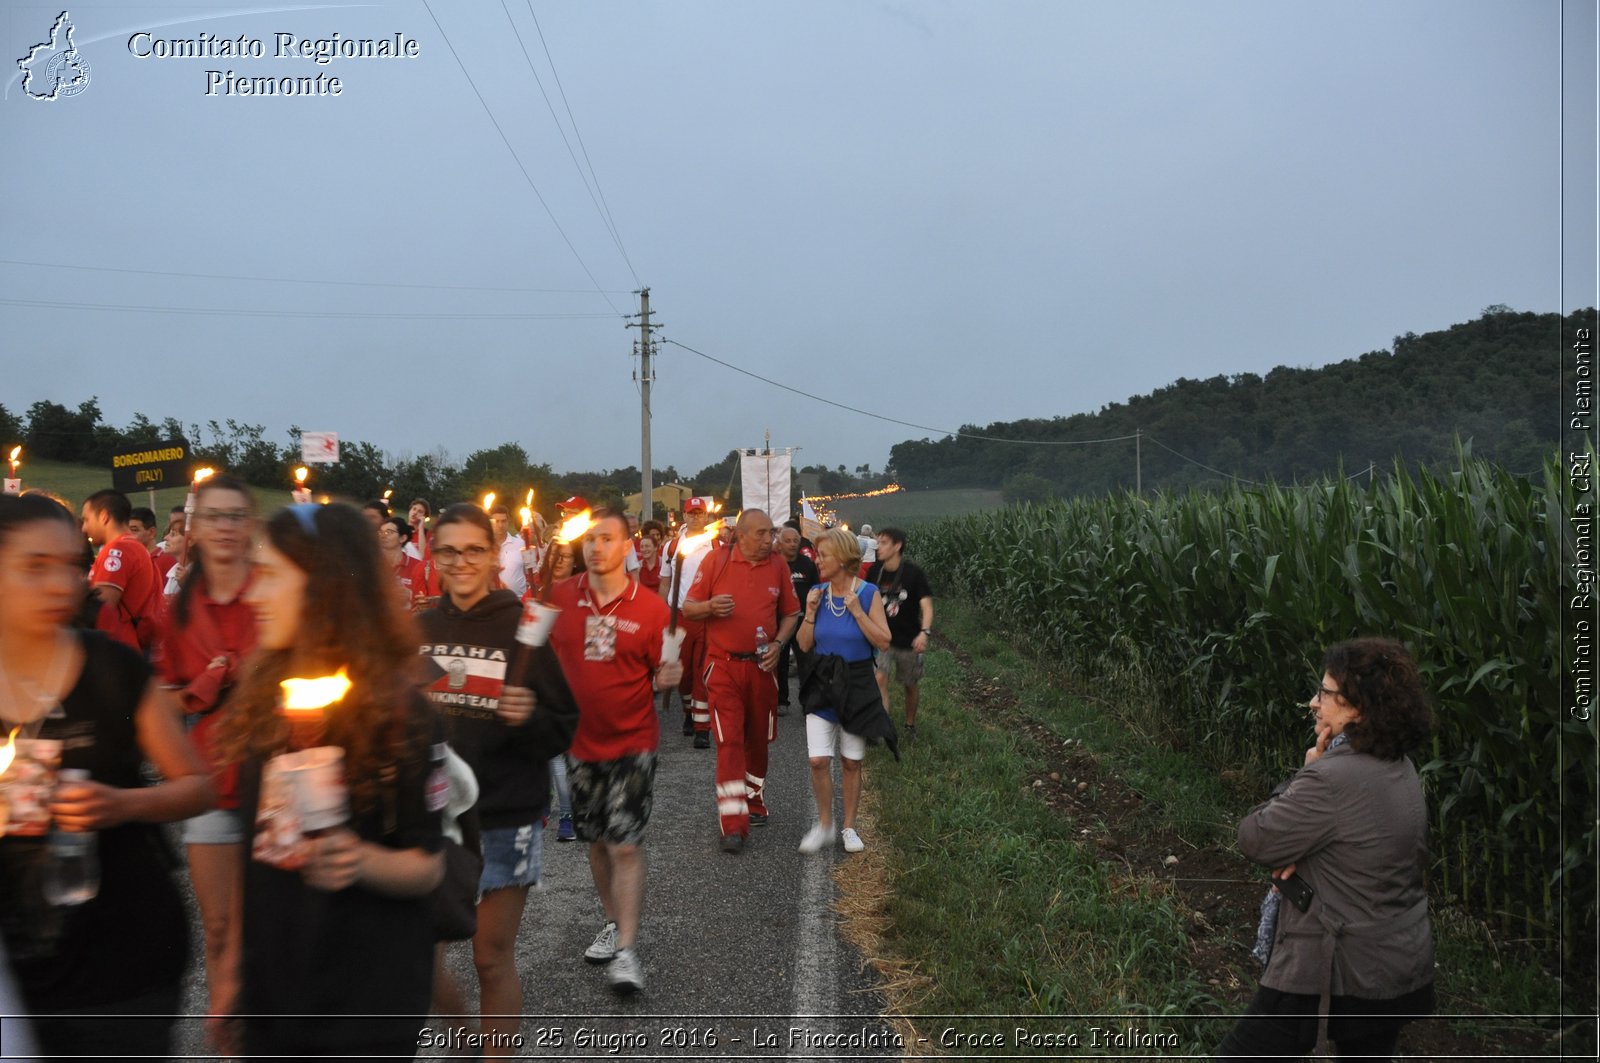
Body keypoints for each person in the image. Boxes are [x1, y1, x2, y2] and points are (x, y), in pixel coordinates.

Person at [217, 502, 446, 1058]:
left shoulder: (402, 714)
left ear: (323, 585)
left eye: (269, 575)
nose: (252, 594)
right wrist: (231, 973)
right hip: (276, 988)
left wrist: (358, 859)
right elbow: (255, 855)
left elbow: (427, 865)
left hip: (363, 1001)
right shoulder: (265, 701)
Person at [0, 493, 215, 1058]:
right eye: (33, 567)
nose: (60, 585)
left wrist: (120, 805)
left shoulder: (111, 669)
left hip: (122, 956)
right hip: (16, 965)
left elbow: (196, 786)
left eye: (71, 567)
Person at [1217, 638, 1437, 1062]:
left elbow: (1255, 837)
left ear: (1358, 705)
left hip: (1334, 964)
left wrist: (1306, 774)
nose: (1314, 703)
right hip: (1397, 962)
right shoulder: (1399, 766)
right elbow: (1354, 845)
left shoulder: (1333, 776)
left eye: (1325, 693)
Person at [417, 503, 579, 1055]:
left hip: (504, 816)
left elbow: (562, 726)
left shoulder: (522, 627)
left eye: (474, 550)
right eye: (448, 551)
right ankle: (464, 1035)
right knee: (420, 953)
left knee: (490, 956)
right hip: (433, 818)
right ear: (433, 556)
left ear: (493, 554)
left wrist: (527, 714)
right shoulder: (420, 627)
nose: (461, 562)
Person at [547, 509, 682, 994]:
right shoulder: (561, 598)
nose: (596, 547)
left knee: (624, 844)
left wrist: (670, 676)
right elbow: (537, 652)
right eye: (590, 539)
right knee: (598, 841)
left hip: (633, 742)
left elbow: (666, 669)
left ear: (627, 546)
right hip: (580, 743)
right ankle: (610, 921)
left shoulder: (650, 609)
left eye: (607, 539)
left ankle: (626, 951)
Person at [154, 474, 258, 1035]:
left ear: (251, 526)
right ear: (195, 528)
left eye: (235, 516)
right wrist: (201, 687)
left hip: (276, 788)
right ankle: (229, 1044)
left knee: (263, 930)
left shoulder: (272, 594)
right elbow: (165, 701)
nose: (224, 527)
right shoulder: (182, 609)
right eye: (213, 516)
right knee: (219, 928)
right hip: (212, 784)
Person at [682, 509, 801, 853]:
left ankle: (754, 799)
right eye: (763, 533)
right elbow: (689, 607)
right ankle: (732, 823)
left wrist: (779, 644)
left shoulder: (778, 565)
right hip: (723, 667)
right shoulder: (715, 561)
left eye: (772, 533)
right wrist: (709, 607)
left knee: (758, 741)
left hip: (763, 667)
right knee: (729, 741)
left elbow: (792, 613)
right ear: (742, 535)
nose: (770, 540)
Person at [794, 527, 894, 855]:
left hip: (857, 681)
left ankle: (849, 827)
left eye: (823, 555)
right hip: (823, 681)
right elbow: (804, 645)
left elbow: (883, 641)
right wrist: (809, 613)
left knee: (851, 762)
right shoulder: (818, 593)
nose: (817, 560)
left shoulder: (867, 593)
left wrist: (857, 612)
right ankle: (825, 825)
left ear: (842, 558)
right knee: (817, 760)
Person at [865, 526, 934, 743]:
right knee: (879, 678)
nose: (878, 547)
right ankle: (882, 727)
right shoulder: (874, 572)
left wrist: (924, 633)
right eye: (878, 542)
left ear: (897, 546)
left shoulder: (914, 573)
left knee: (910, 685)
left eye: (884, 543)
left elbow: (927, 606)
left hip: (908, 639)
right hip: (881, 640)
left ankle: (910, 724)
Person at [79, 489, 162, 655]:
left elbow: (100, 607)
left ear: (103, 516)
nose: (84, 528)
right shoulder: (133, 546)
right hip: (126, 647)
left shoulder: (118, 550)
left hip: (118, 648)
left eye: (87, 520)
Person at [662, 497, 715, 747]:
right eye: (690, 513)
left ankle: (703, 727)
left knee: (701, 670)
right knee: (682, 673)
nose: (695, 517)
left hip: (706, 616)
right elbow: (665, 581)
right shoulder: (672, 546)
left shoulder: (715, 544)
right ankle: (689, 713)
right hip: (679, 615)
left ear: (706, 517)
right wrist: (660, 613)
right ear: (684, 516)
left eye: (699, 513)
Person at [775, 526, 819, 715]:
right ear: (780, 542)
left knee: (806, 663)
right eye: (788, 541)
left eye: (796, 541)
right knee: (780, 663)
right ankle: (781, 701)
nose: (793, 544)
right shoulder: (774, 564)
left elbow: (816, 589)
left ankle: (807, 701)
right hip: (779, 622)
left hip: (802, 622)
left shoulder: (807, 564)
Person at [379, 516, 428, 611]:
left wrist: (409, 595)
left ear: (402, 538)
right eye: (380, 532)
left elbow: (426, 602)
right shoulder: (371, 565)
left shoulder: (418, 566)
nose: (383, 535)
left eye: (388, 532)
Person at [488, 502, 529, 598]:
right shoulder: (484, 547)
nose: (500, 525)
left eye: (503, 521)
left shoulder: (521, 544)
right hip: (492, 599)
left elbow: (530, 573)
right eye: (496, 521)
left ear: (508, 521)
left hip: (518, 600)